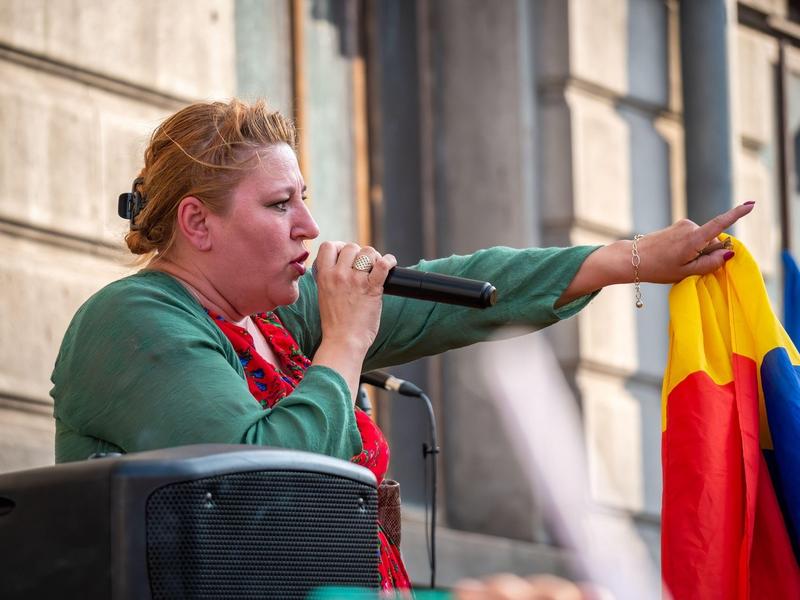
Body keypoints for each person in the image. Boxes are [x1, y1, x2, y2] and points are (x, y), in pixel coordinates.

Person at [49, 99, 754, 591]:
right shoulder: (136, 318)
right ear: (197, 223)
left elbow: (452, 296)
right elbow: (258, 488)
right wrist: (348, 339)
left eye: (304, 198)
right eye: (278, 205)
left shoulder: (273, 322)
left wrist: (627, 259)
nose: (310, 226)